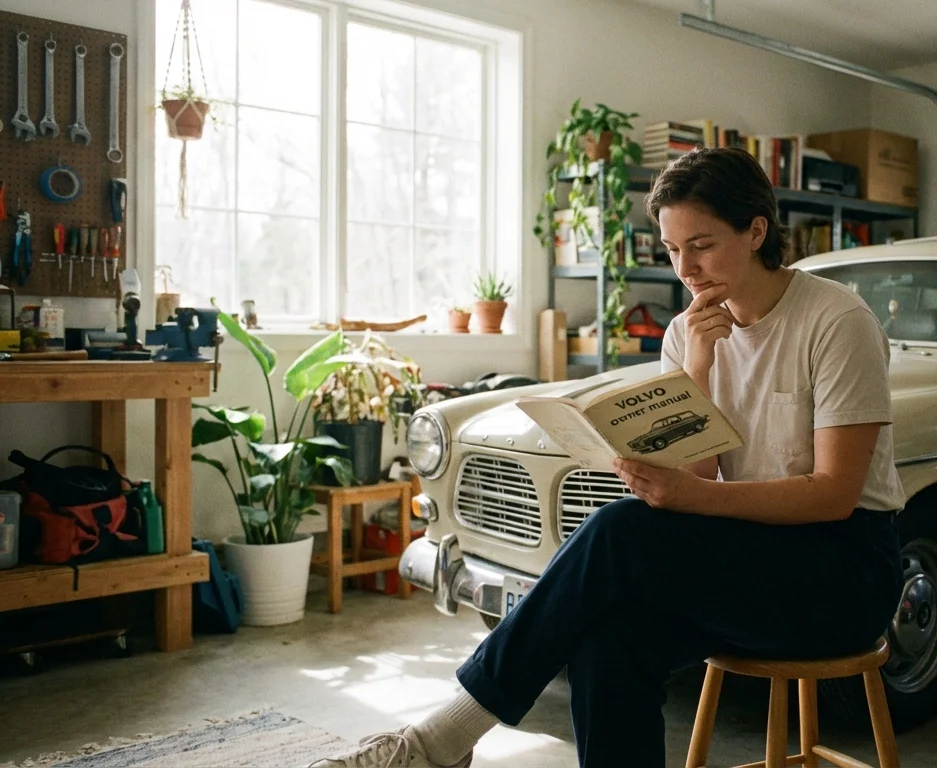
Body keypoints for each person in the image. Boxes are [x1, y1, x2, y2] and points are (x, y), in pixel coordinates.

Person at [314, 147, 905, 768]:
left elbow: (834, 494)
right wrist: (697, 376)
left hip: (844, 571)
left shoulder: (837, 321)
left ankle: (443, 739)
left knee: (619, 531)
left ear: (756, 230)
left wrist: (693, 498)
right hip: (747, 559)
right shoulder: (687, 334)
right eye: (674, 250)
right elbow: (700, 474)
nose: (687, 269)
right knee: (607, 638)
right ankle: (447, 739)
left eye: (701, 245)